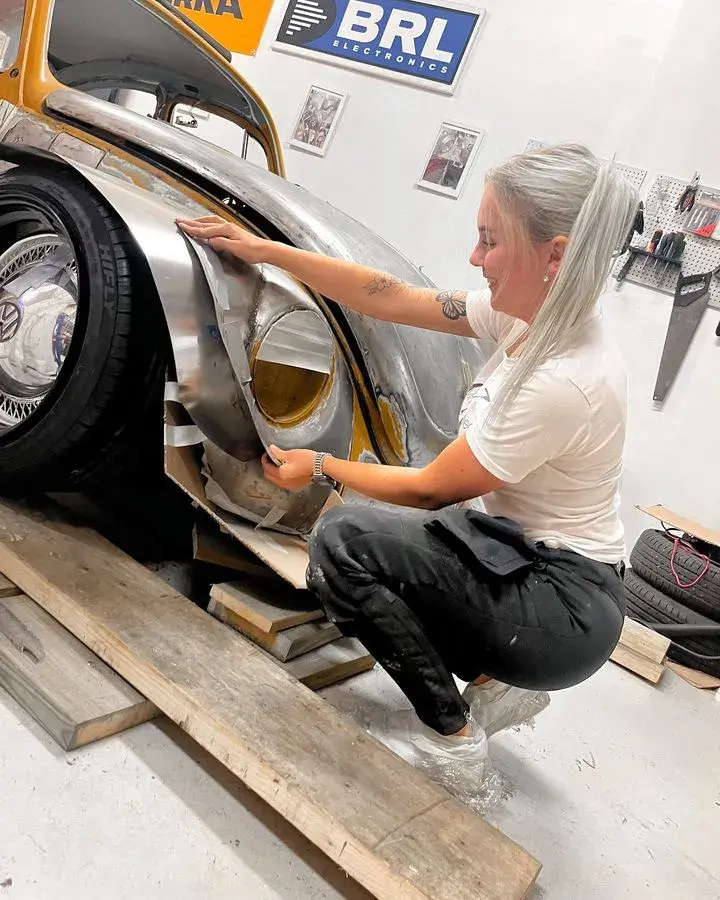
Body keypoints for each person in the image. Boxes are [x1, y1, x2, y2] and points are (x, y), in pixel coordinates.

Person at [177, 143, 636, 771]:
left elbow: (429, 488)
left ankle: (452, 737)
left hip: (563, 607)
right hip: (526, 558)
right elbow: (391, 297)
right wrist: (266, 250)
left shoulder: (567, 377)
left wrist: (320, 467)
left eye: (490, 240)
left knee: (344, 542)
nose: (475, 257)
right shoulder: (530, 318)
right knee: (395, 530)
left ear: (554, 255)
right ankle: (491, 682)